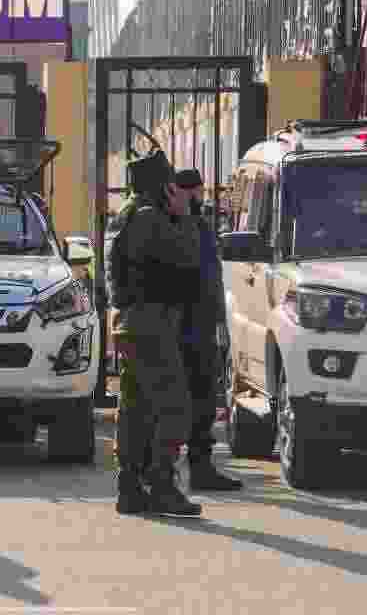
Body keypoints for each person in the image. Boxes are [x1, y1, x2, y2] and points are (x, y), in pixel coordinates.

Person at [107, 150, 203, 518]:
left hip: (132, 322)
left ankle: (129, 487)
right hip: (151, 324)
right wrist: (186, 217)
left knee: (136, 408)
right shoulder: (149, 219)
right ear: (160, 187)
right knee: (175, 406)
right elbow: (187, 257)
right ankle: (162, 485)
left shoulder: (129, 215)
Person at [172, 169, 243, 491]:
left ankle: (200, 467)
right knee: (185, 397)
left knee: (202, 399)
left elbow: (211, 277)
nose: (200, 198)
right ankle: (171, 471)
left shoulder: (197, 224)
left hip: (199, 323)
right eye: (195, 192)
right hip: (182, 324)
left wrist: (217, 321)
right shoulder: (175, 225)